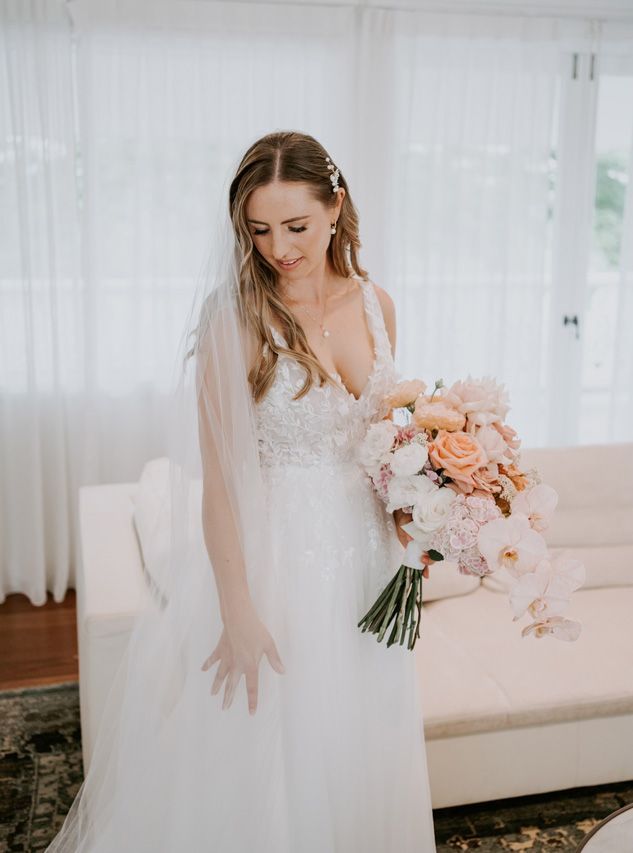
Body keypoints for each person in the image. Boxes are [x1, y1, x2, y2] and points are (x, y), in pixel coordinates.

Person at [45, 130, 438, 852]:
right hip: (278, 558)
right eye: (258, 229)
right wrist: (237, 610)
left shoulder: (378, 303)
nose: (279, 247)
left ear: (336, 207)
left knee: (356, 737)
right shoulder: (234, 319)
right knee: (274, 755)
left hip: (369, 563)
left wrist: (430, 518)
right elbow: (222, 485)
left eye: (296, 226)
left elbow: (389, 442)